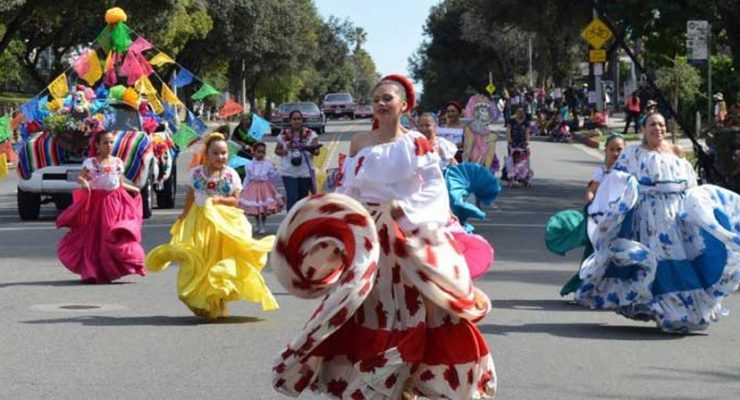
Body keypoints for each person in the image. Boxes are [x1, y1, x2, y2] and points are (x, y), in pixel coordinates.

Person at [271, 74, 496, 399]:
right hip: (368, 240)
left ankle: (409, 379)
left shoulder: (416, 142)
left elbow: (434, 188)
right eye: (376, 97)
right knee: (367, 308)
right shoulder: (360, 143)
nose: (380, 103)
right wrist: (339, 221)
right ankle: (373, 381)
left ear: (404, 105)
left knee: (413, 309)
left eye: (387, 98)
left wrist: (403, 210)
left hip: (407, 240)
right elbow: (348, 189)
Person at [576, 113, 740, 332]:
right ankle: (663, 311)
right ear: (643, 129)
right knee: (659, 260)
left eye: (661, 125)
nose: (658, 128)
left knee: (683, 260)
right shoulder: (632, 153)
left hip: (677, 215)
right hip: (648, 216)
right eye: (652, 124)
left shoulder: (677, 151)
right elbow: (615, 181)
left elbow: (690, 184)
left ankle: (685, 310)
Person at [145, 132, 278, 319]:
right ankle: (201, 297)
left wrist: (219, 201)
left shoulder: (231, 175)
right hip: (199, 222)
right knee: (200, 260)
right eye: (215, 153)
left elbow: (237, 200)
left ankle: (217, 300)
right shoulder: (196, 173)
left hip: (223, 224)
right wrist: (183, 215)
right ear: (206, 154)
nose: (220, 157)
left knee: (218, 262)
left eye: (224, 153)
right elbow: (191, 196)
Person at [56, 131, 145, 283]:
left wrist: (135, 190)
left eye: (111, 142)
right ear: (97, 145)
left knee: (112, 234)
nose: (109, 146)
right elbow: (80, 177)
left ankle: (112, 268)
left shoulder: (117, 162)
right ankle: (93, 270)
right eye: (105, 142)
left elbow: (120, 183)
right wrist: (84, 183)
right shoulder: (91, 163)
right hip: (96, 203)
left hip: (114, 202)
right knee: (95, 238)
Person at [546, 134, 627, 297]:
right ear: (605, 152)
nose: (615, 153)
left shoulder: (630, 173)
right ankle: (587, 286)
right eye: (611, 149)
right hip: (599, 219)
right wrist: (592, 203)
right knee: (595, 253)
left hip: (621, 218)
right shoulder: (603, 172)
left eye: (619, 150)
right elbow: (591, 190)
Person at [274, 110, 321, 211]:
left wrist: (309, 148)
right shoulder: (283, 135)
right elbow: (277, 150)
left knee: (302, 199)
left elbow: (317, 152)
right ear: (290, 121)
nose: (297, 121)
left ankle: (300, 222)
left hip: (305, 172)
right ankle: (290, 222)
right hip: (289, 171)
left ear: (302, 120)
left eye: (299, 119)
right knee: (292, 197)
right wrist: (285, 150)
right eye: (294, 119)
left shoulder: (311, 134)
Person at [238, 142, 283, 234]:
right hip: (253, 187)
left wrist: (274, 173)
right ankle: (257, 223)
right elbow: (247, 177)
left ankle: (263, 224)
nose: (261, 154)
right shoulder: (249, 165)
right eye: (258, 152)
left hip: (264, 187)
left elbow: (272, 177)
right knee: (255, 207)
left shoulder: (268, 164)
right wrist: (243, 188)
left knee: (263, 208)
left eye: (263, 152)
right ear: (254, 152)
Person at [502, 107, 531, 180]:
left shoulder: (526, 122)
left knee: (522, 158)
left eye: (521, 112)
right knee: (512, 158)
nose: (520, 113)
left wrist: (527, 140)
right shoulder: (511, 120)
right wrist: (509, 138)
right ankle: (511, 174)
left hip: (522, 142)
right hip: (513, 141)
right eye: (518, 112)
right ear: (516, 112)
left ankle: (523, 175)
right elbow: (508, 129)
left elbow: (527, 132)